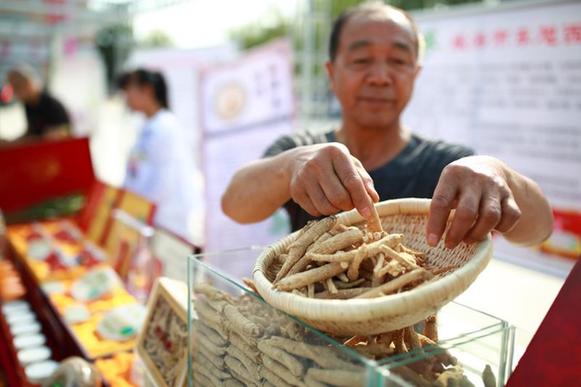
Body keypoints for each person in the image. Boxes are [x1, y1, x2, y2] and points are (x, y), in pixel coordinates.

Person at [222, 2, 553, 249]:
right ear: (332, 73)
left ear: (415, 74)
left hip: (408, 339)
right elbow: (235, 204)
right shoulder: (302, 150)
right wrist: (288, 167)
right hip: (307, 330)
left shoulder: (443, 165)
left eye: (398, 61)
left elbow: (539, 230)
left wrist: (498, 172)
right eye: (361, 60)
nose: (380, 78)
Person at [118, 68, 197, 241]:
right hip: (147, 218)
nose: (126, 97)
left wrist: (143, 214)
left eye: (129, 90)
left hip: (163, 221)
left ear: (147, 90)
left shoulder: (165, 127)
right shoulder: (148, 125)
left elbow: (163, 181)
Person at [5, 65, 71, 141]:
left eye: (18, 87)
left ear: (29, 83)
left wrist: (56, 133)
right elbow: (33, 132)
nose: (17, 94)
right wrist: (15, 141)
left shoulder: (51, 104)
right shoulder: (28, 105)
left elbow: (67, 130)